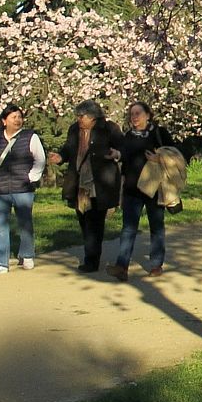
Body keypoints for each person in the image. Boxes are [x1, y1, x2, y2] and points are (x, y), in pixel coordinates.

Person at [108, 101, 183, 281]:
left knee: (156, 227)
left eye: (138, 113)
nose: (134, 117)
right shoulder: (128, 136)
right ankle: (122, 266)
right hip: (132, 188)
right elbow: (124, 154)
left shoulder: (159, 133)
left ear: (148, 115)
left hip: (154, 189)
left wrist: (159, 158)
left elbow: (176, 153)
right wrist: (116, 155)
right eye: (132, 114)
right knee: (128, 229)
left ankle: (156, 264)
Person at [49, 100, 123, 273]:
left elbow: (123, 147)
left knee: (95, 222)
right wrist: (60, 157)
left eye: (82, 116)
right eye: (78, 116)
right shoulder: (74, 129)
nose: (79, 119)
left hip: (100, 184)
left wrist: (116, 154)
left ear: (93, 117)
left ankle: (91, 260)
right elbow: (68, 149)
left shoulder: (109, 128)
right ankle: (91, 255)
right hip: (80, 182)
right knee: (84, 220)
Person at [0, 105, 47, 274]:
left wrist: (31, 177)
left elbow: (40, 159)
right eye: (13, 117)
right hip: (0, 189)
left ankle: (27, 255)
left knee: (25, 222)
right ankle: (1, 263)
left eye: (19, 117)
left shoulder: (30, 136)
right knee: (1, 225)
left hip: (23, 188)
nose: (17, 120)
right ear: (4, 121)